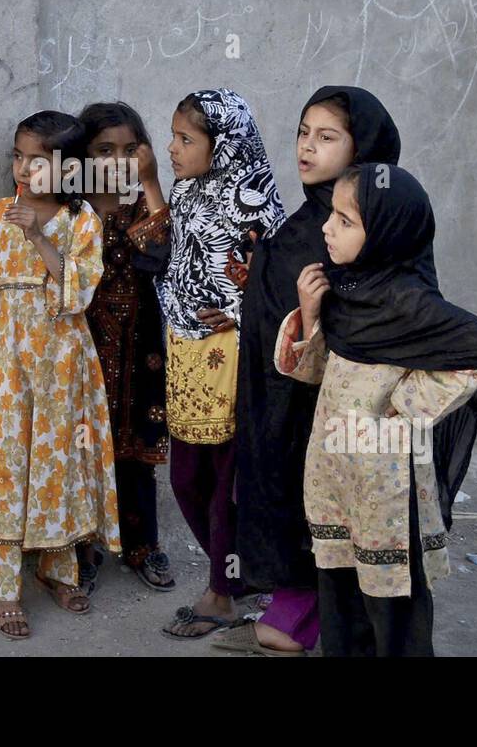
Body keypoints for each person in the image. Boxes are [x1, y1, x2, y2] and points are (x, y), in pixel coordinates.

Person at [275, 164, 477, 656]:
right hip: (335, 472)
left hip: (388, 479)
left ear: (384, 232)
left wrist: (401, 408)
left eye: (344, 220)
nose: (327, 228)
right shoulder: (345, 289)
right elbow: (312, 371)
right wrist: (311, 314)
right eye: (332, 216)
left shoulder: (409, 304)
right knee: (339, 586)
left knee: (392, 593)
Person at [216, 87, 403, 657]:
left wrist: (310, 319)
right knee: (283, 496)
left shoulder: (362, 226)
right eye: (303, 133)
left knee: (315, 508)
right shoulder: (309, 217)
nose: (307, 147)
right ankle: (296, 612)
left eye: (326, 137)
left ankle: (299, 620)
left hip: (321, 403)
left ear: (362, 150)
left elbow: (372, 317)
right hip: (279, 392)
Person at [0, 111, 121, 640]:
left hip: (66, 365)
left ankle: (58, 569)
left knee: (59, 462)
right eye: (18, 156)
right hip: (10, 361)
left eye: (38, 160)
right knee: (6, 463)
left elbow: (78, 295)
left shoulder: (83, 222)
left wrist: (41, 238)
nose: (23, 169)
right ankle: (3, 587)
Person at [155, 89, 285, 639]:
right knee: (187, 477)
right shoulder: (187, 191)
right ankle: (242, 575)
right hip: (185, 355)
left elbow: (277, 285)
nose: (172, 148)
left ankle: (221, 592)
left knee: (227, 483)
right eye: (173, 136)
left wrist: (236, 311)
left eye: (186, 139)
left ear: (223, 143)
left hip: (234, 363)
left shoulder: (254, 204)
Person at [74, 102, 175, 594]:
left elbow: (161, 255)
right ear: (83, 155)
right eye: (104, 149)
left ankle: (143, 545)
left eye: (130, 149)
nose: (118, 159)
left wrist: (152, 182)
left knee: (136, 450)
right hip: (87, 346)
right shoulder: (72, 211)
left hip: (140, 347)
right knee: (83, 446)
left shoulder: (142, 205)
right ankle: (83, 548)